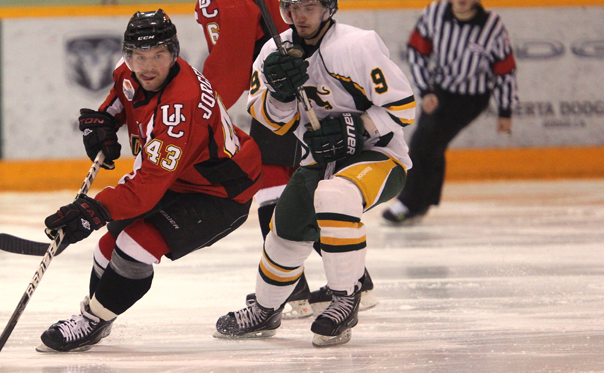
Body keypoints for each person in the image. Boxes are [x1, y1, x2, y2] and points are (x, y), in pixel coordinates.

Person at [38, 9, 262, 352]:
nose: (148, 66)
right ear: (127, 55)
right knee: (107, 247)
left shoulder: (180, 107)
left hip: (222, 190)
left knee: (135, 246)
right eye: (139, 56)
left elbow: (146, 187)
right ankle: (98, 315)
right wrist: (104, 121)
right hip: (182, 177)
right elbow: (121, 98)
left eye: (158, 55)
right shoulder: (129, 72)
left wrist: (92, 210)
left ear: (174, 54)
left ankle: (93, 320)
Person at [214, 0, 415, 347]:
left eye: (309, 6)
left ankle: (345, 299)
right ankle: (266, 309)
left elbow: (403, 106)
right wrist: (280, 94)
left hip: (380, 155)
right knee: (285, 227)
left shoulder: (357, 44)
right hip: (319, 161)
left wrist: (357, 126)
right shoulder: (270, 54)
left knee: (334, 195)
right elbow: (276, 123)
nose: (299, 16)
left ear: (329, 8)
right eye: (292, 7)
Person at [195, 0, 375, 319]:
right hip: (287, 84)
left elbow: (232, 63)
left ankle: (303, 289)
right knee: (300, 190)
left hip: (287, 89)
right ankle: (353, 281)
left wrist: (200, 107)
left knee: (275, 181)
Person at [382, 0, 518, 225]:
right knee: (430, 142)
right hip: (439, 90)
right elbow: (417, 51)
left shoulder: (491, 25)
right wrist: (425, 90)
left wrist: (506, 110)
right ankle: (421, 202)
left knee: (425, 141)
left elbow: (505, 70)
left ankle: (409, 202)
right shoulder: (434, 12)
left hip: (472, 97)